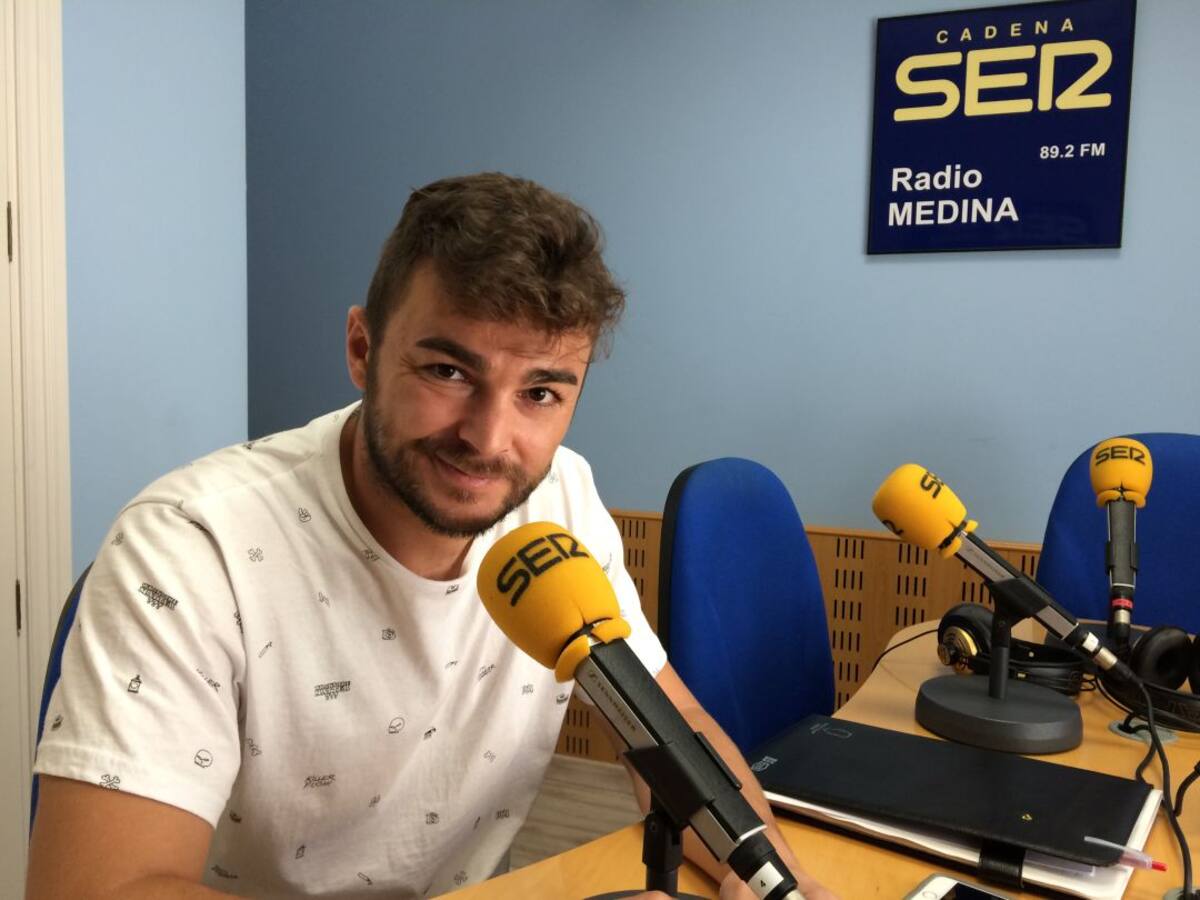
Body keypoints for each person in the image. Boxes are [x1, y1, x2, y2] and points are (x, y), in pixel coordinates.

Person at [27, 173, 834, 899]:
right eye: (449, 372)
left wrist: (773, 878)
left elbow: (670, 728)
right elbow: (92, 888)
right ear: (362, 349)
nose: (488, 438)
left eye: (541, 393)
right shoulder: (191, 548)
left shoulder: (561, 499)